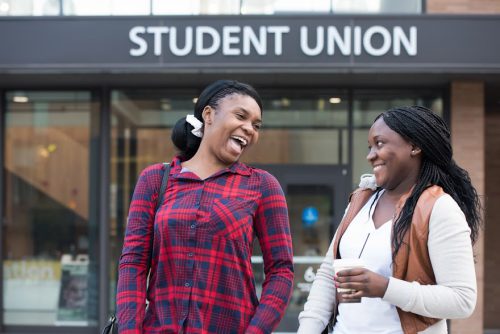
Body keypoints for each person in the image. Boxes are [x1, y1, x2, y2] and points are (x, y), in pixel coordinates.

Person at [116, 80, 294, 333]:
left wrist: (256, 331)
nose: (249, 129)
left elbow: (281, 271)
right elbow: (133, 262)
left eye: (256, 125)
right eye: (241, 116)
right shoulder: (155, 179)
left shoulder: (262, 186)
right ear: (208, 115)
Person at [297, 105, 481, 334]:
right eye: (369, 146)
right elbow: (327, 274)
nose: (370, 155)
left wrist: (385, 287)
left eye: (380, 143)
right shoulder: (361, 201)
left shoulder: (439, 208)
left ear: (414, 146)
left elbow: (461, 300)